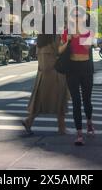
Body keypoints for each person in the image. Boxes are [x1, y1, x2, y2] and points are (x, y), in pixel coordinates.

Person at [22, 15, 70, 135]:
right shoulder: (55, 37)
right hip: (55, 73)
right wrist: (67, 42)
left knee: (39, 102)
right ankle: (61, 128)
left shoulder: (40, 38)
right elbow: (59, 51)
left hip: (42, 74)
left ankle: (29, 121)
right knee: (61, 101)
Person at [59, 9, 94, 146]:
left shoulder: (88, 31)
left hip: (86, 68)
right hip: (72, 69)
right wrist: (68, 40)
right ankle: (79, 133)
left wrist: (78, 35)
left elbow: (87, 47)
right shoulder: (67, 32)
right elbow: (59, 50)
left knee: (86, 100)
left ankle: (89, 122)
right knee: (76, 101)